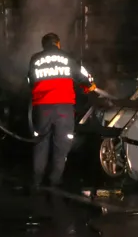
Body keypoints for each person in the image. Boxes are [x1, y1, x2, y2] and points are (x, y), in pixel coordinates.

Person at [27, 32, 96, 190]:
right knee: (62, 144)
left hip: (42, 107)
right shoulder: (67, 57)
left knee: (40, 143)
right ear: (58, 44)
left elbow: (30, 80)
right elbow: (81, 76)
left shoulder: (35, 59)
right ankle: (55, 180)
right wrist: (89, 86)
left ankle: (37, 181)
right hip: (64, 109)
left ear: (43, 45)